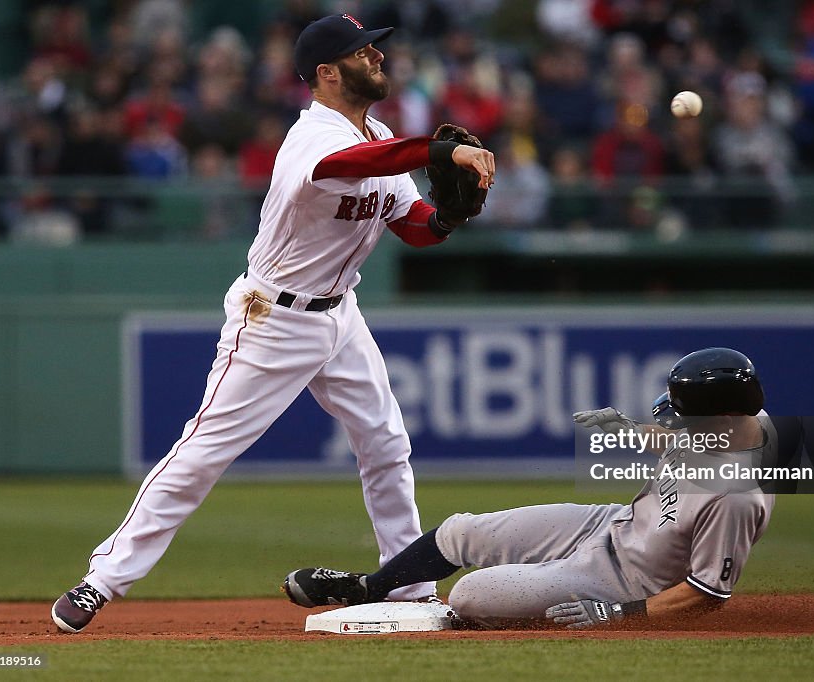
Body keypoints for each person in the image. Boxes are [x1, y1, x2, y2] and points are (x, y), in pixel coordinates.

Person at [51, 13, 495, 634]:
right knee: (204, 451)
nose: (378, 58)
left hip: (340, 312)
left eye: (375, 48)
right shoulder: (311, 138)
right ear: (326, 71)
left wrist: (444, 219)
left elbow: (411, 224)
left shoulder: (378, 134)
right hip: (273, 318)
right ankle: (101, 580)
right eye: (362, 52)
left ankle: (413, 591)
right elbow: (348, 165)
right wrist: (438, 149)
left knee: (387, 444)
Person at [283, 347, 775, 629]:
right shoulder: (739, 424)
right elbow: (673, 440)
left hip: (633, 580)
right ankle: (366, 587)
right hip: (614, 522)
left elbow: (708, 593)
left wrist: (618, 614)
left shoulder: (733, 496)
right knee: (462, 531)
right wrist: (624, 427)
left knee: (473, 594)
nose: (675, 422)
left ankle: (495, 610)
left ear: (727, 417)